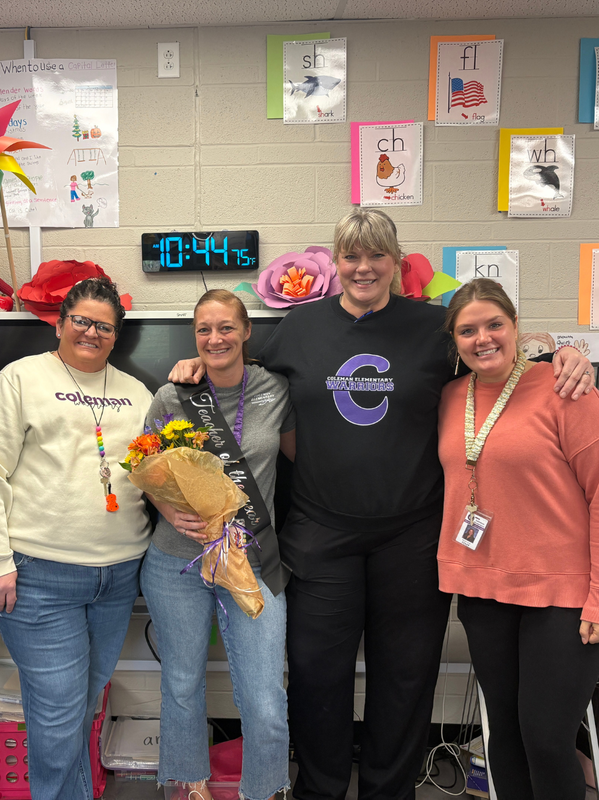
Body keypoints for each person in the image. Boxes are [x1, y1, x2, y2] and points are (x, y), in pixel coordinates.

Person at [169, 209, 594, 800]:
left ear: (395, 263)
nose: (363, 267)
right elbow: (245, 380)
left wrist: (561, 353)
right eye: (351, 256)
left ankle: (389, 792)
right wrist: (197, 369)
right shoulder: (296, 329)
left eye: (377, 256)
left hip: (412, 537)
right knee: (318, 678)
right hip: (320, 534)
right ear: (336, 263)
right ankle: (320, 790)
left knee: (406, 678)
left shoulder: (433, 327)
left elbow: (495, 353)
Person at [0, 277, 153, 800]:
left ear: (117, 334)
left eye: (104, 326)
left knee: (80, 707)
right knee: (58, 715)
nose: (92, 332)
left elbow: (152, 473)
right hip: (38, 575)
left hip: (118, 577)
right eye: (82, 321)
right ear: (60, 322)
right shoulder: (21, 378)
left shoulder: (137, 393)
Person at [438, 278, 599, 800]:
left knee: (548, 739)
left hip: (564, 594)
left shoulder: (566, 389)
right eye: (468, 330)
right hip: (485, 590)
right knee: (502, 735)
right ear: (454, 340)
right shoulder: (448, 396)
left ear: (515, 327)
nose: (482, 338)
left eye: (494, 325)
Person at [140, 289, 296, 800]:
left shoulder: (276, 390)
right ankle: (187, 790)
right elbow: (144, 469)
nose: (215, 338)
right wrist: (169, 508)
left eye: (226, 327)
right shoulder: (171, 395)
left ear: (247, 331)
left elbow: (301, 459)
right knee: (182, 686)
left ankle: (265, 790)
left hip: (252, 561)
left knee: (266, 698)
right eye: (204, 329)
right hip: (175, 563)